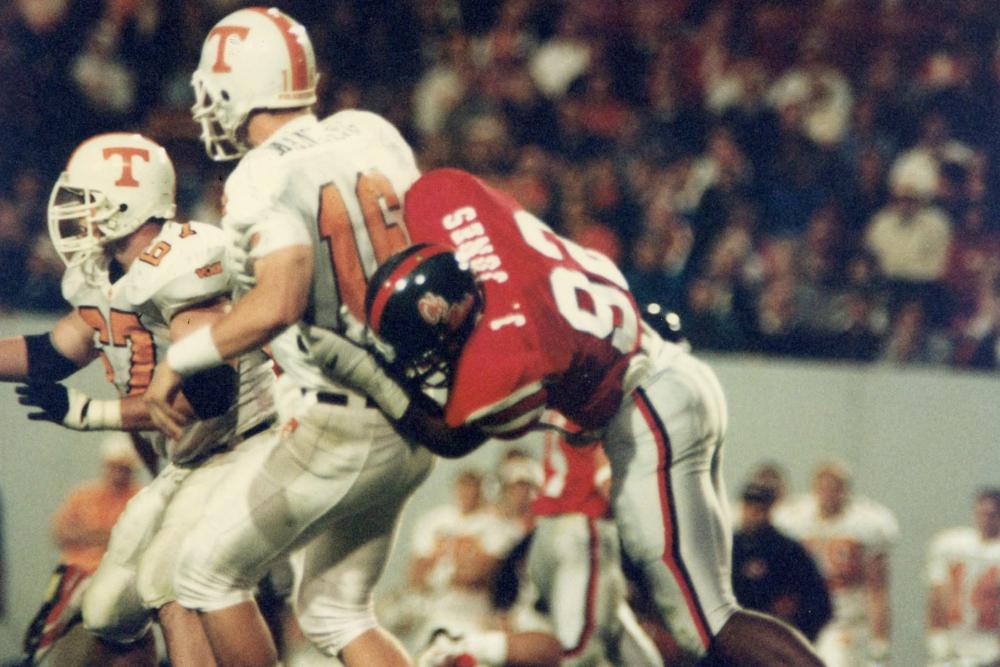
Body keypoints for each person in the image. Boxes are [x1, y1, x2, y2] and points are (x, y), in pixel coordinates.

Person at [310, 167, 824, 665]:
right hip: (667, 373)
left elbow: (451, 437)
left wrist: (366, 373)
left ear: (452, 315)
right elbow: (431, 200)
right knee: (671, 617)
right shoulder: (444, 199)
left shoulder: (504, 357)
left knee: (706, 623)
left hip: (646, 409)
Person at [142, 8, 433, 666]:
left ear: (233, 89)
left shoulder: (260, 174)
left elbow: (279, 300)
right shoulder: (372, 132)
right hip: (412, 409)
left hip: (342, 421)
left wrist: (181, 356)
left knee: (204, 575)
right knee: (335, 610)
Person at [1, 131, 277, 666]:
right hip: (190, 460)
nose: (74, 213)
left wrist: (91, 413)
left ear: (123, 204)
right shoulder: (105, 275)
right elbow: (53, 353)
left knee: (173, 584)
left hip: (243, 444)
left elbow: (209, 393)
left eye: (86, 199)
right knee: (107, 611)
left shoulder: (183, 260)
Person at [774, 461, 898, 666]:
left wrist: (880, 640)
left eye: (835, 487)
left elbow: (877, 589)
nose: (828, 493)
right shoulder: (792, 519)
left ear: (845, 491)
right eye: (823, 487)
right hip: (803, 619)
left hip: (845, 622)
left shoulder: (865, 524)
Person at [732, 481, 832, 643]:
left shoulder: (788, 550)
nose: (754, 513)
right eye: (749, 506)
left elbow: (819, 601)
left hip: (776, 636)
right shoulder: (726, 548)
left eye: (760, 508)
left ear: (770, 509)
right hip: (734, 636)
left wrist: (798, 632)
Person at [925, 487, 1000, 666]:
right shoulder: (953, 545)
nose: (987, 519)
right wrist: (937, 633)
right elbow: (938, 593)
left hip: (989, 643)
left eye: (992, 514)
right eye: (982, 513)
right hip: (954, 641)